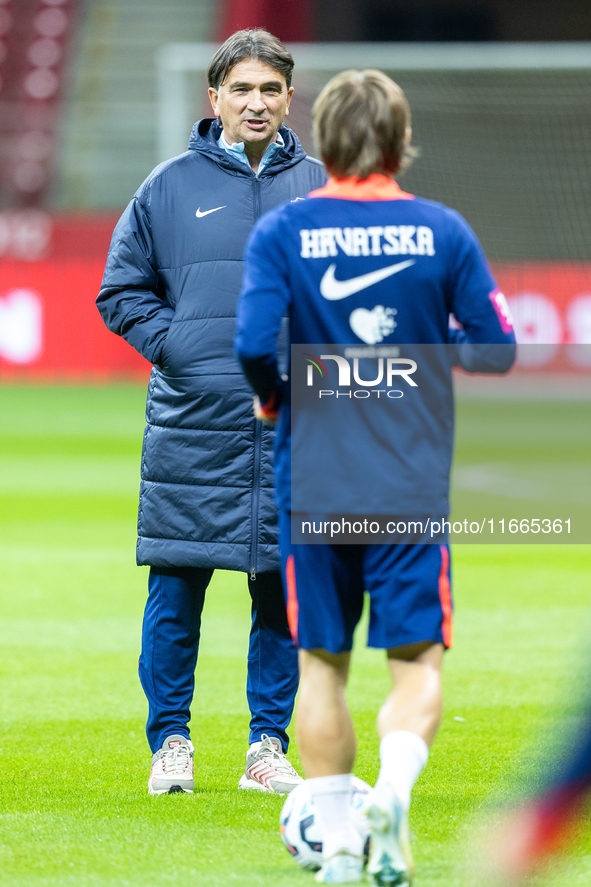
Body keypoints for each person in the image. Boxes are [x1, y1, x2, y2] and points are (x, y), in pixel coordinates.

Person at [235, 69, 516, 884]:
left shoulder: (285, 231)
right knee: (416, 662)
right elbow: (496, 346)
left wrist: (273, 396)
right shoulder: (442, 230)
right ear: (399, 141)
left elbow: (254, 345)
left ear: (321, 140)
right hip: (407, 484)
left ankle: (340, 849)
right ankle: (388, 793)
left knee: (322, 664)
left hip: (314, 480)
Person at [96, 29, 327, 796]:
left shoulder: (326, 188)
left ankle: (267, 748)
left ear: (289, 98)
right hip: (192, 423)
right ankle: (171, 743)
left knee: (282, 594)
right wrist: (180, 350)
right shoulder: (166, 186)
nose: (255, 102)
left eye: (270, 90)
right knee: (175, 592)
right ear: (215, 99)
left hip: (295, 429)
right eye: (241, 89)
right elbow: (120, 291)